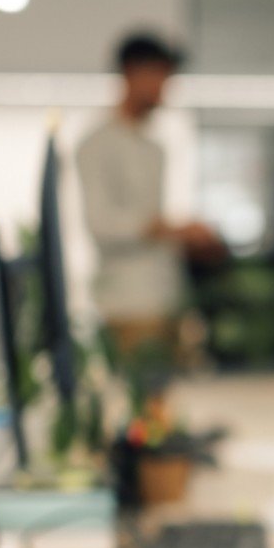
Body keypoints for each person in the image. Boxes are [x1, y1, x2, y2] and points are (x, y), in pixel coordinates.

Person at [77, 32, 222, 359]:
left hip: (165, 297)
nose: (164, 88)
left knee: (162, 405)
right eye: (159, 75)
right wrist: (173, 230)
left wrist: (188, 239)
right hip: (127, 304)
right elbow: (101, 224)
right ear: (131, 73)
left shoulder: (155, 147)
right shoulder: (97, 143)